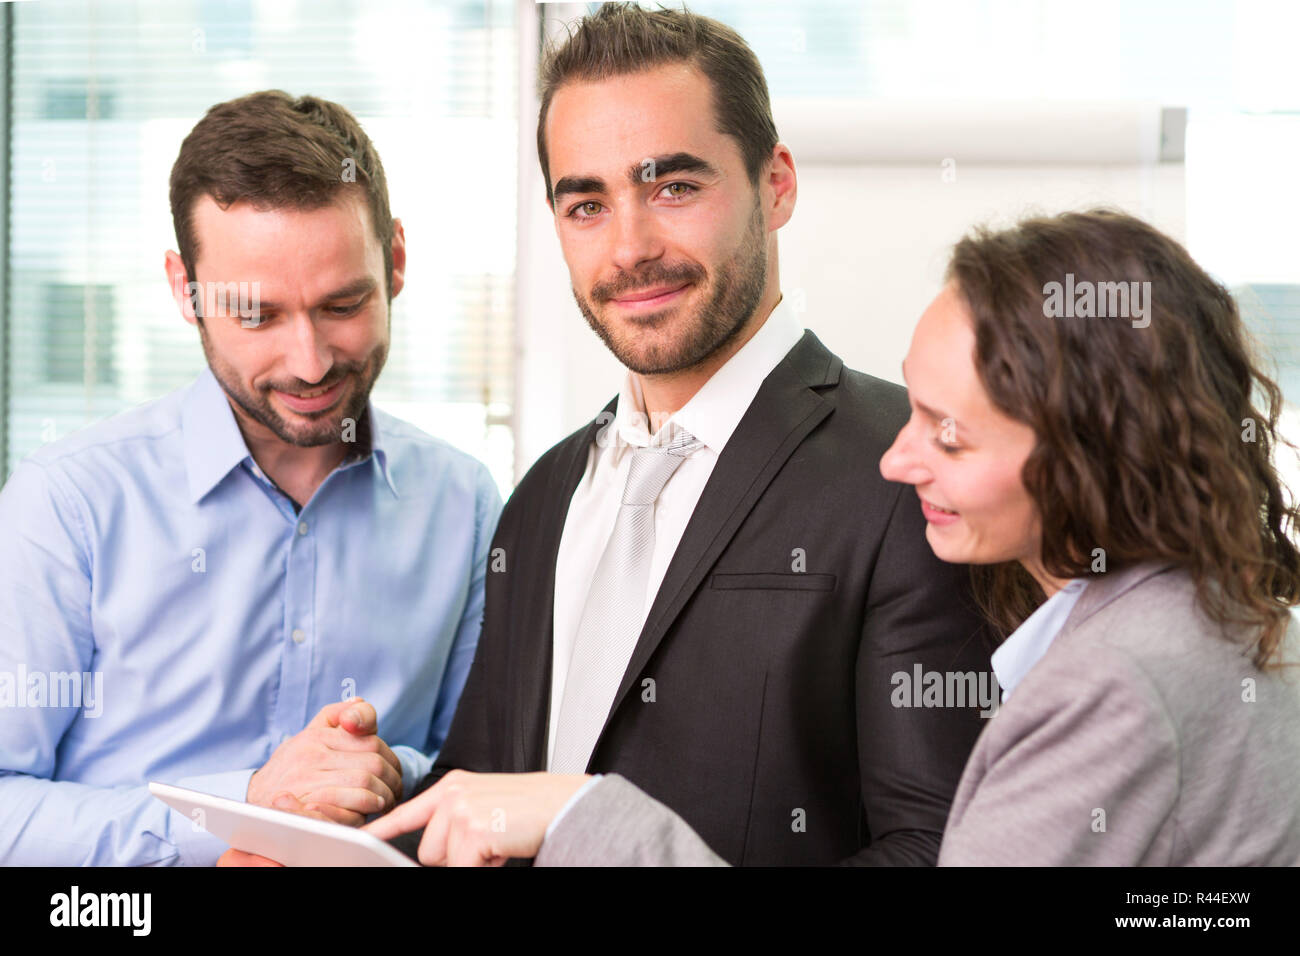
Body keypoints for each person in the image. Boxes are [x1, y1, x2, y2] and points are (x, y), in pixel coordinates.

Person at [342, 2, 994, 867]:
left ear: (776, 185)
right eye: (587, 205)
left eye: (674, 187)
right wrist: (368, 798)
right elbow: (489, 798)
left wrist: (597, 825)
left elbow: (937, 854)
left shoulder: (907, 480)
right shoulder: (538, 499)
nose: (630, 248)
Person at [458, 208, 1300, 866]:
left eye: (948, 433)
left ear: (1087, 452)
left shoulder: (1116, 686)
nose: (898, 459)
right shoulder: (1207, 626)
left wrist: (586, 819)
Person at [0, 90, 502, 865]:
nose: (309, 363)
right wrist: (246, 806)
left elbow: (475, 779)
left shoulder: (463, 505)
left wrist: (388, 770)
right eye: (258, 316)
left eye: (342, 304)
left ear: (395, 261)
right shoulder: (66, 506)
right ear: (184, 290)